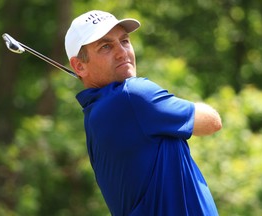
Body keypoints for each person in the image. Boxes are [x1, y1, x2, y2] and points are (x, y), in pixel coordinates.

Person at [65, 10, 222, 216]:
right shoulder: (134, 95)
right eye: (106, 47)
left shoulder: (95, 114)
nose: (122, 52)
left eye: (125, 41)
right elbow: (212, 122)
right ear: (79, 66)